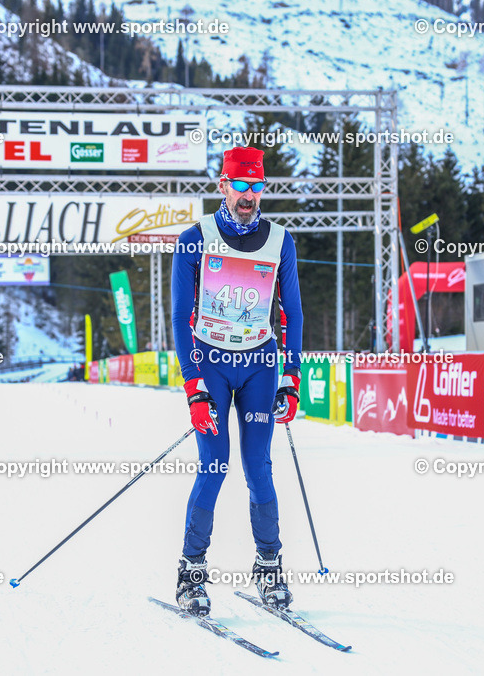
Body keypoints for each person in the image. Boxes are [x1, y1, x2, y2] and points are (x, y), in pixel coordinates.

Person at [170, 146, 303, 616]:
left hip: (260, 366)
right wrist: (194, 387)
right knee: (214, 465)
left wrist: (292, 372)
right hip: (210, 361)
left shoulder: (280, 240)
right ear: (222, 185)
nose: (248, 196)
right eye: (240, 185)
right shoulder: (194, 238)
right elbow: (181, 318)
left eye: (256, 187)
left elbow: (292, 312)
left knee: (258, 467)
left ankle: (269, 565)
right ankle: (191, 571)